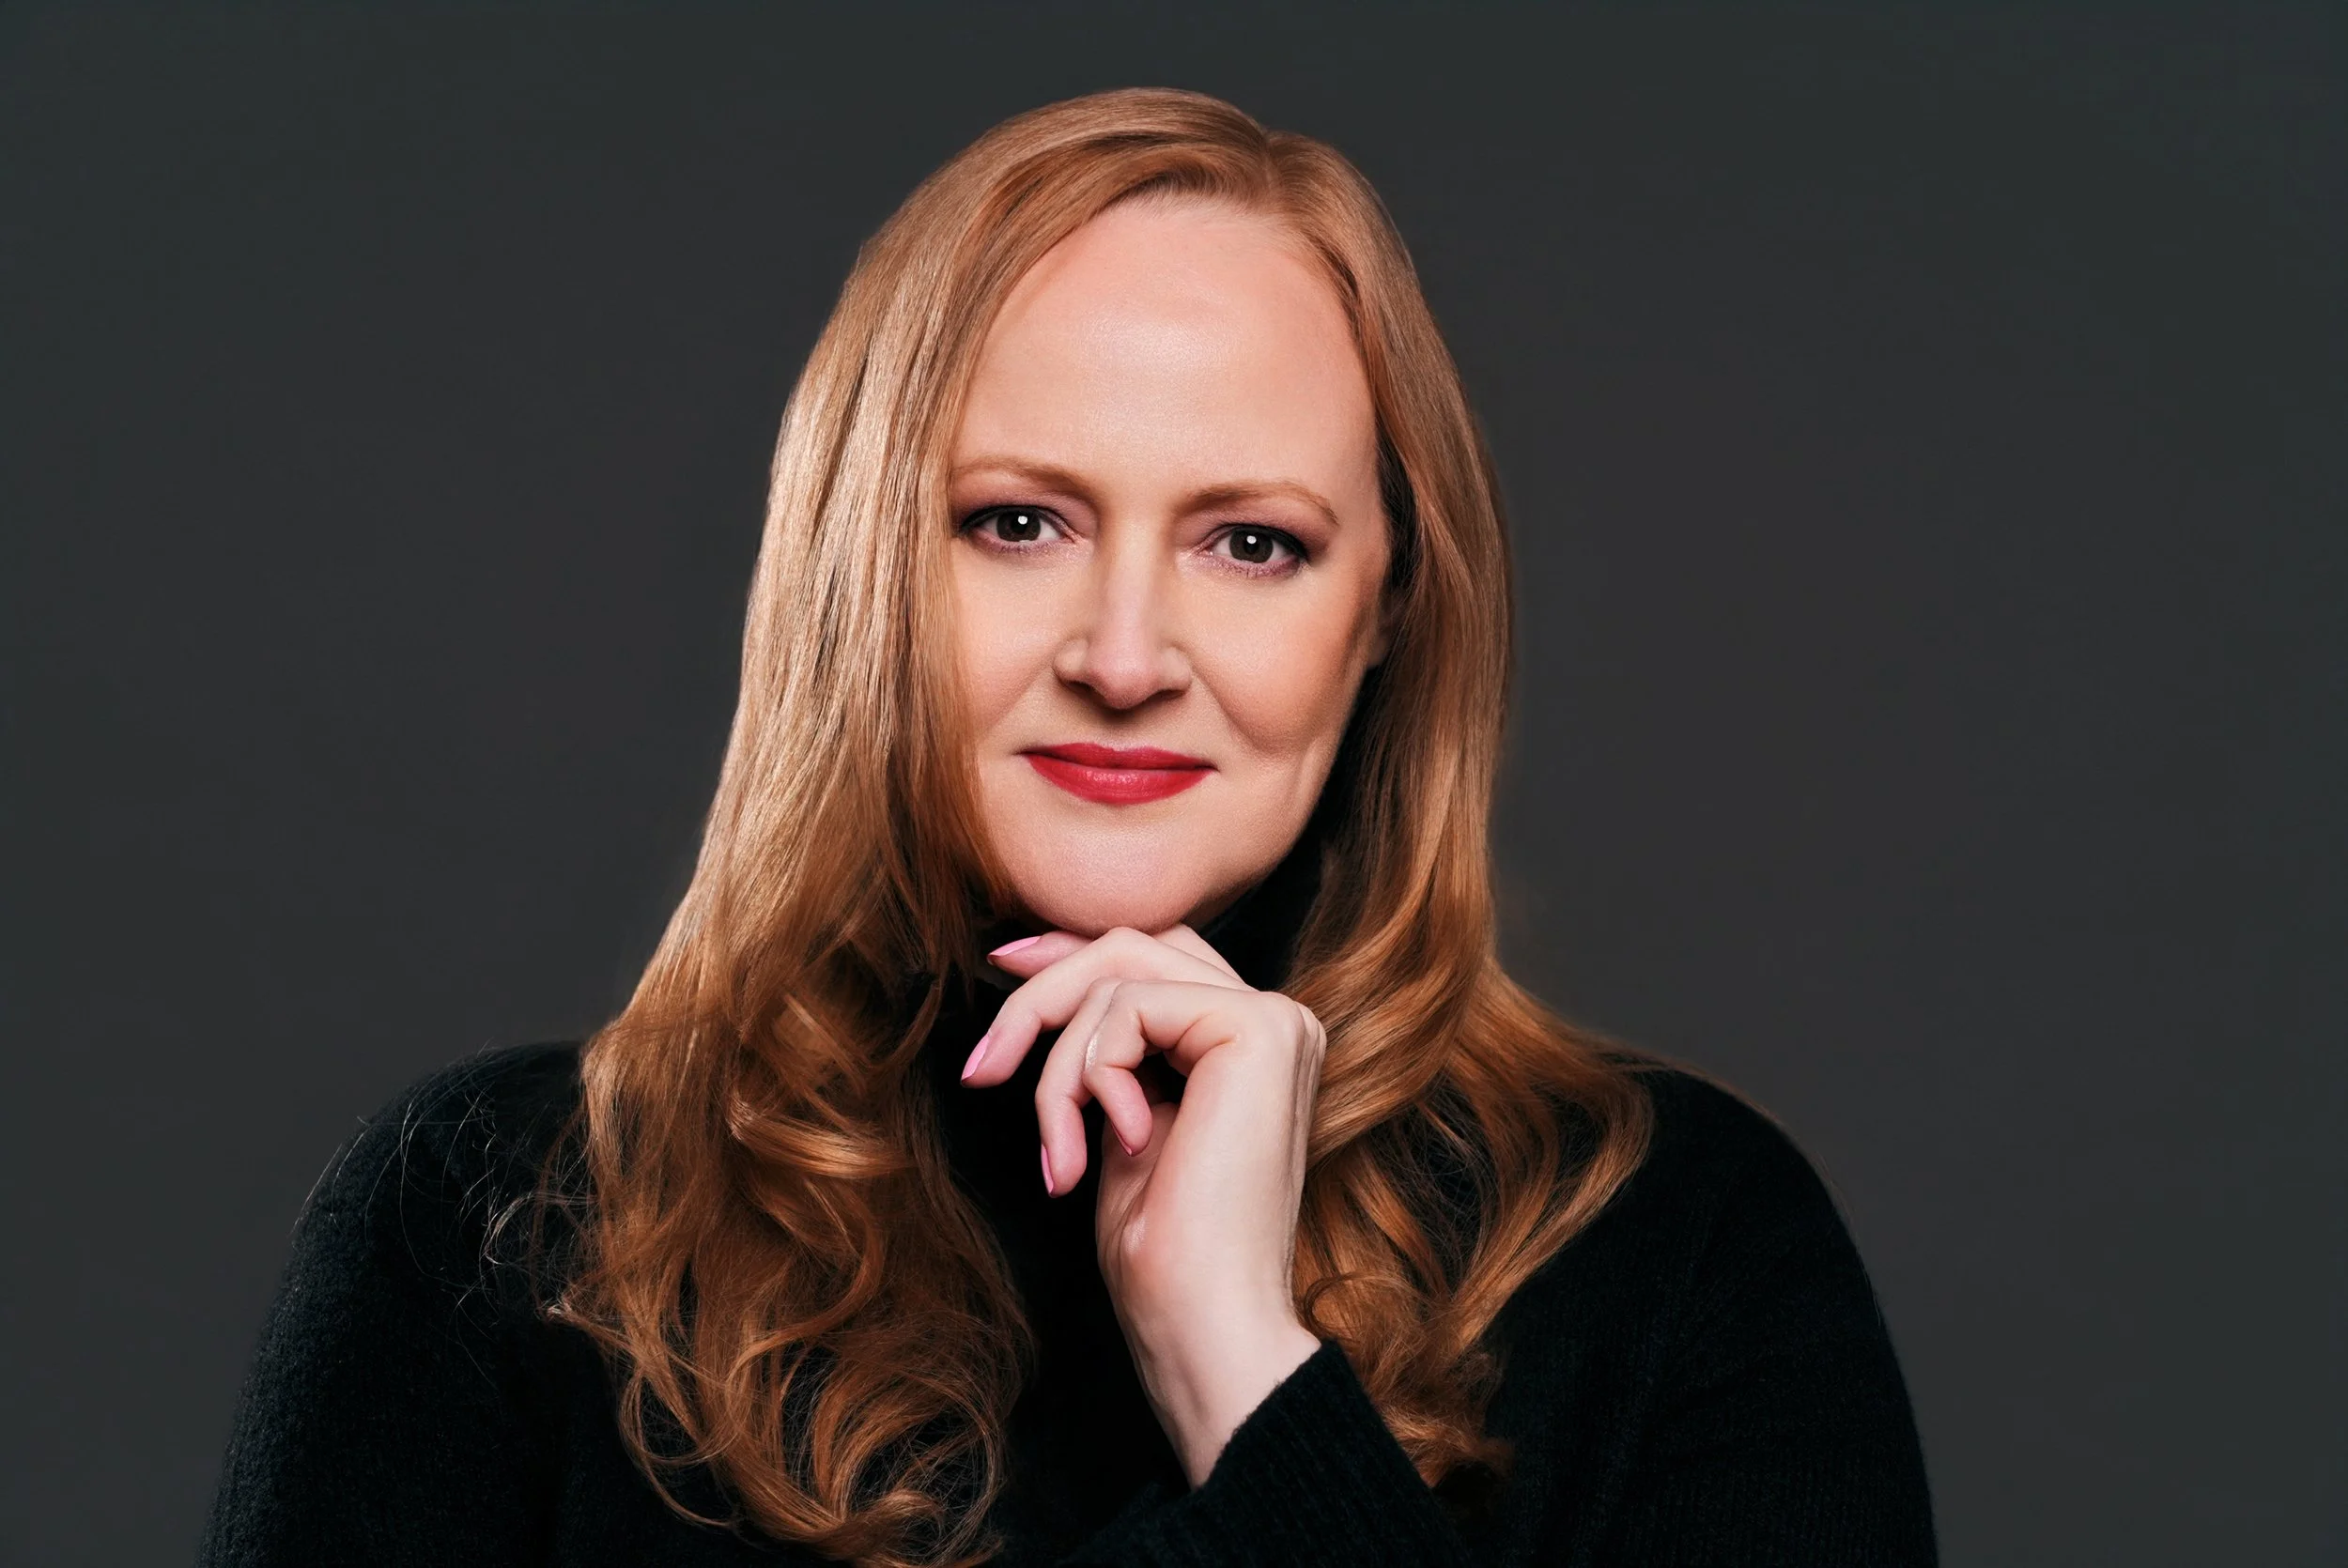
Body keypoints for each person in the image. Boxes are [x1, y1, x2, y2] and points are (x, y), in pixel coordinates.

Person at [201, 89, 1936, 1567]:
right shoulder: (490, 1230)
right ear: (863, 565)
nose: (1122, 657)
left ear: (1391, 602)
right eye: (1018, 522)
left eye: (1250, 541)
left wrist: (1247, 1380)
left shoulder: (1682, 1242)